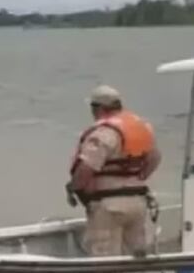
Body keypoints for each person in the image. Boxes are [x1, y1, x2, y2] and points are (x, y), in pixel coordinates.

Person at [67, 85, 162, 257]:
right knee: (134, 255)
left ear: (98, 108)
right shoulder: (142, 128)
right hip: (138, 202)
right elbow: (155, 158)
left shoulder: (103, 134)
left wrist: (73, 188)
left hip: (109, 205)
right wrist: (138, 177)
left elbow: (86, 169)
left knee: (104, 257)